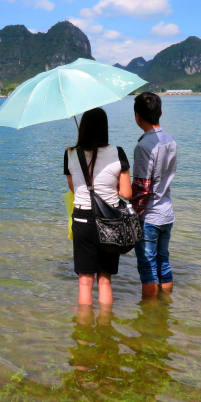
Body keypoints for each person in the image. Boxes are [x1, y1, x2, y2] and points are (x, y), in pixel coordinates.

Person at [64, 108, 132, 306]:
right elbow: (126, 194)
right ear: (105, 128)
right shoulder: (117, 152)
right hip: (110, 220)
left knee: (85, 282)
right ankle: (105, 331)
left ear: (82, 128)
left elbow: (74, 190)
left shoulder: (70, 154)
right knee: (105, 280)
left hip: (82, 220)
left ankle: (83, 334)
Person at [130, 92, 178, 298]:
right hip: (167, 212)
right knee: (163, 262)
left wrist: (132, 213)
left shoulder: (143, 146)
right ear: (160, 113)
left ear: (137, 116)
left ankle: (150, 318)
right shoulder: (170, 140)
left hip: (149, 216)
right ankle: (165, 307)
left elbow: (143, 188)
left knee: (147, 269)